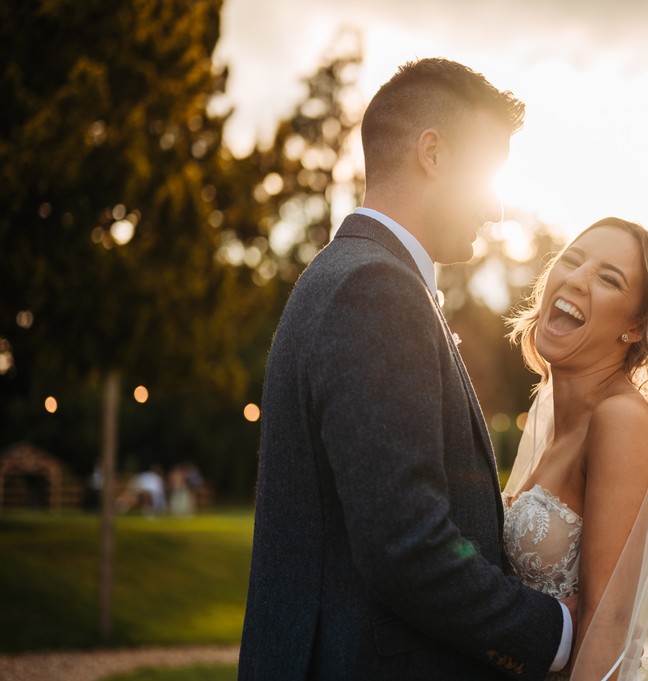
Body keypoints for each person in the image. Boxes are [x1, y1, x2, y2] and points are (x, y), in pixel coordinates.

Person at [238, 58, 571, 680]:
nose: (497, 209)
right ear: (434, 155)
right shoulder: (375, 291)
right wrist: (552, 634)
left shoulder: (349, 277)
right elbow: (407, 547)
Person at [504, 218, 648, 680]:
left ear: (636, 326)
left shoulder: (621, 419)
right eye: (573, 259)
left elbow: (610, 624)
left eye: (608, 279)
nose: (577, 279)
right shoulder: (559, 423)